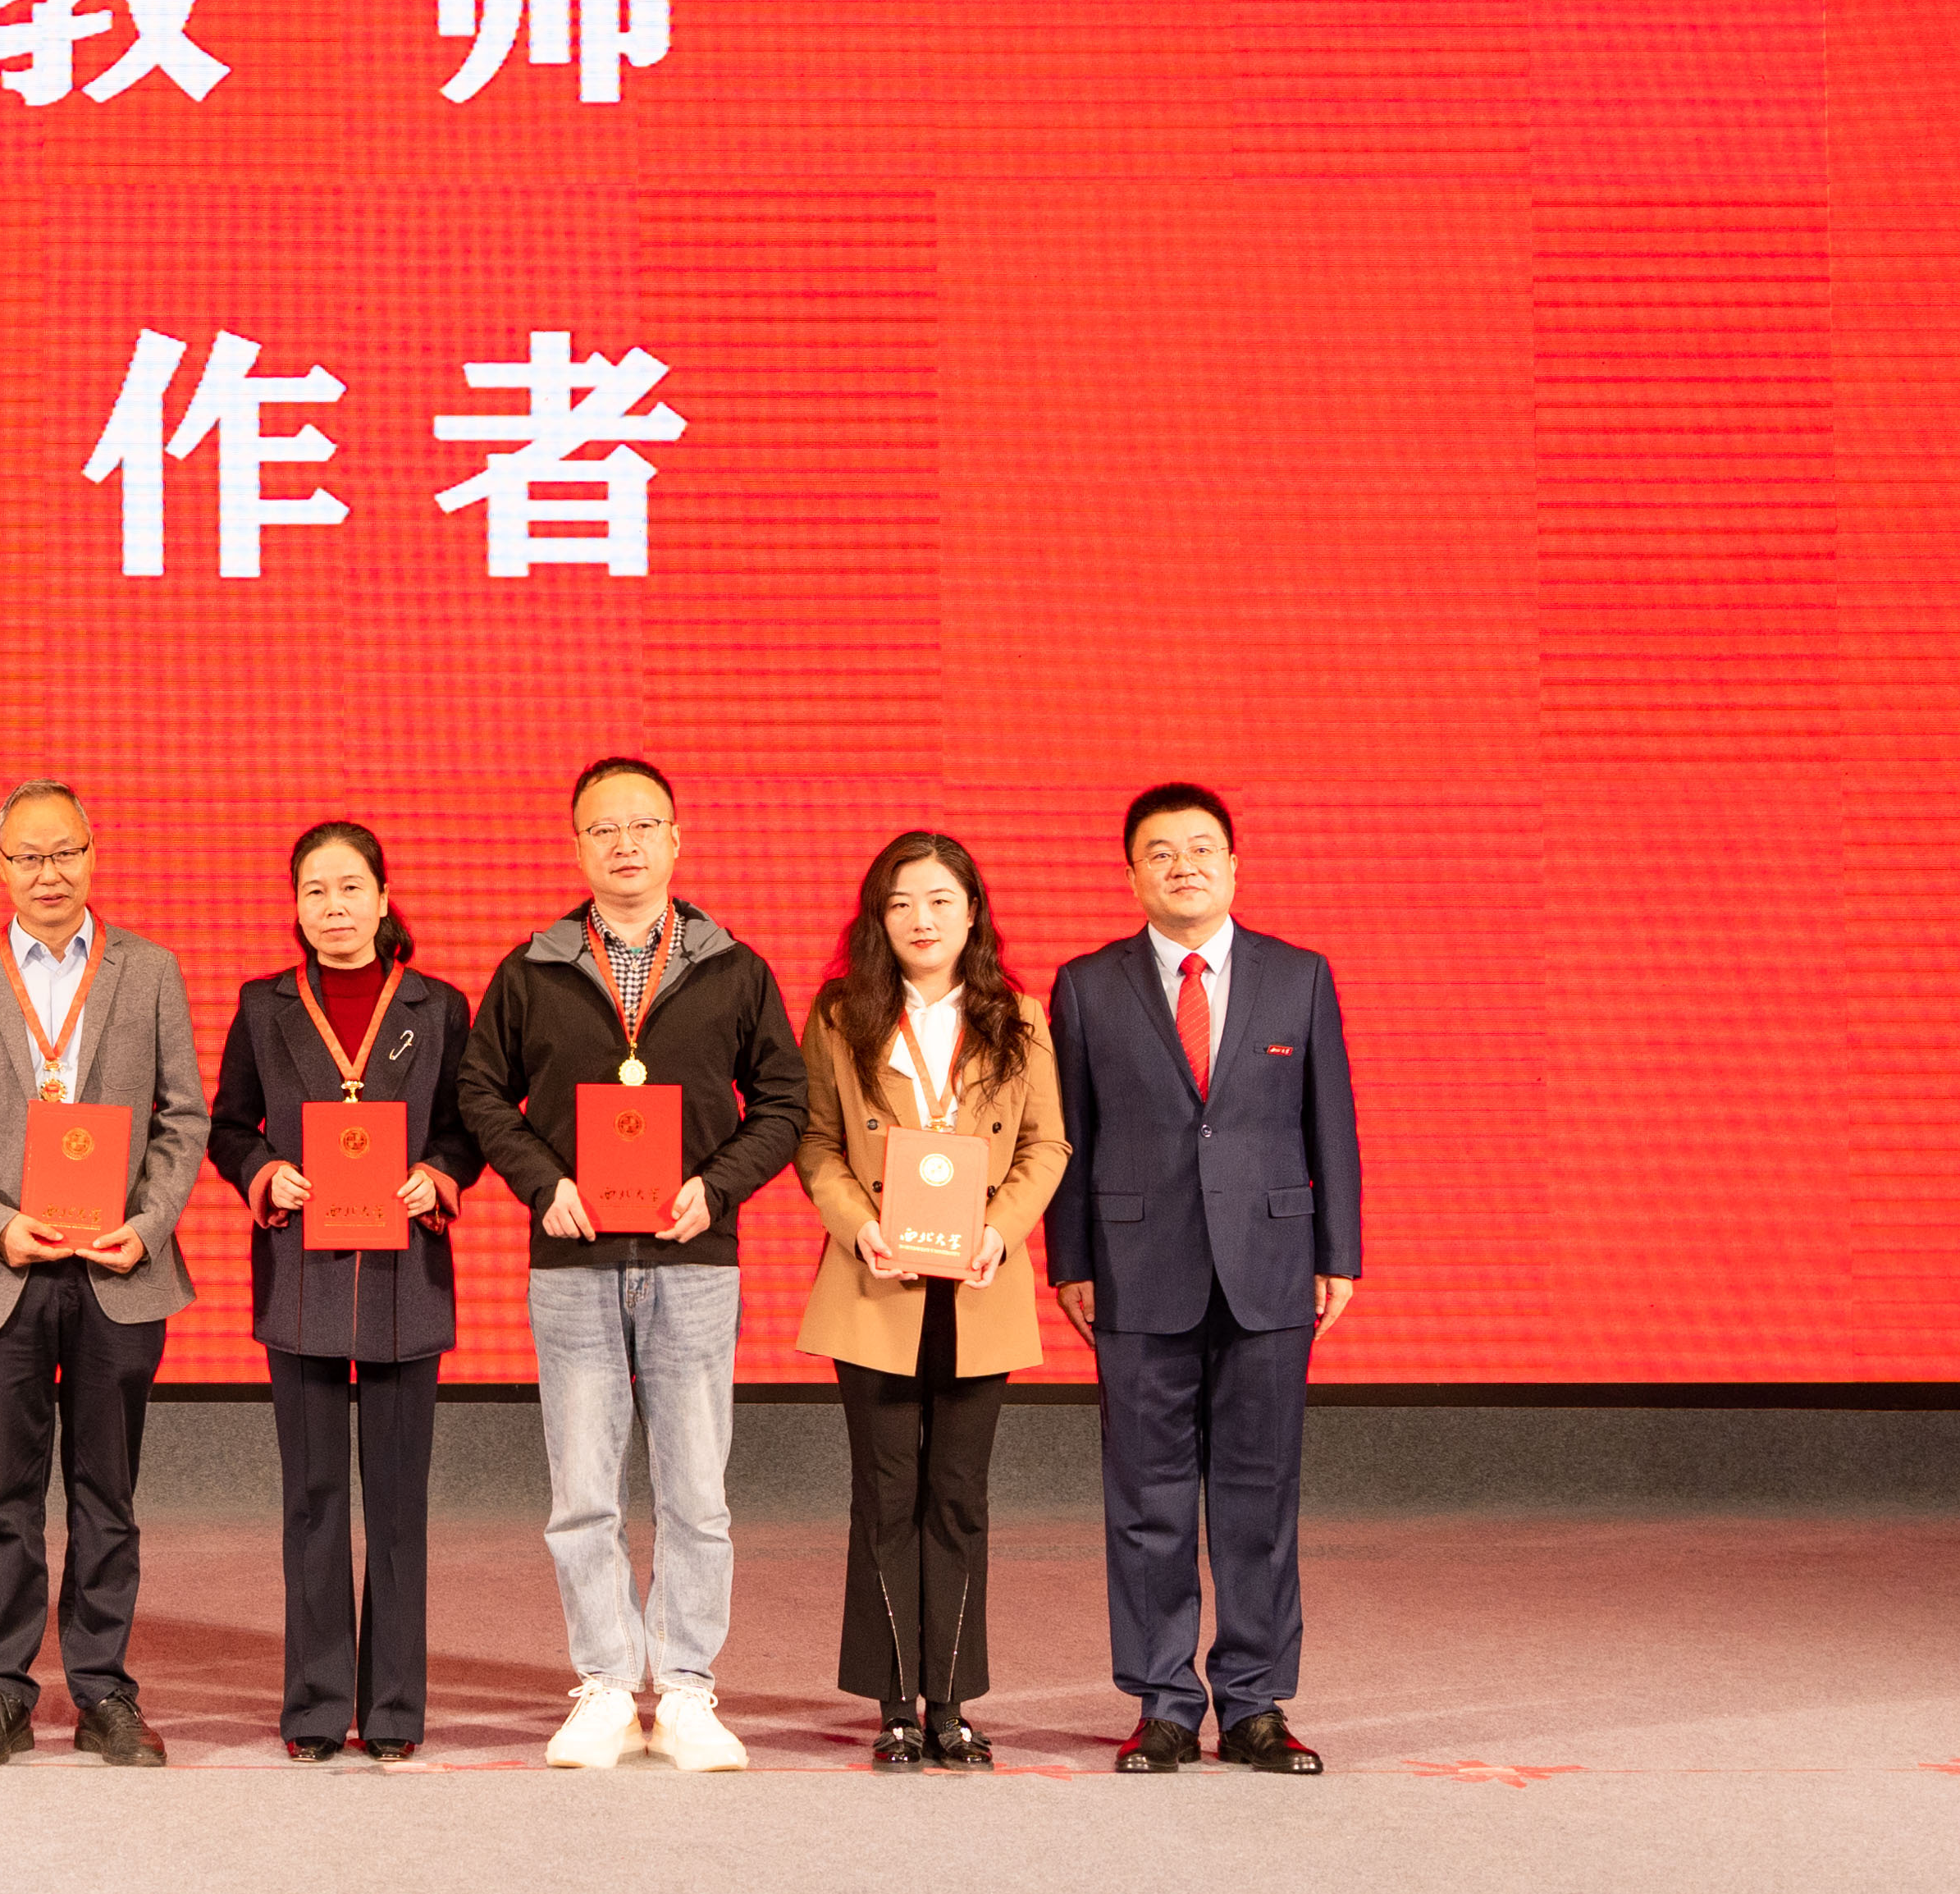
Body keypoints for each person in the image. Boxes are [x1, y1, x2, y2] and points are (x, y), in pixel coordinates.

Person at [455, 755, 810, 1775]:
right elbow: (480, 1093)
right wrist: (541, 1183)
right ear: (576, 847)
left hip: (693, 1255)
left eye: (642, 825)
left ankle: (687, 1686)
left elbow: (782, 1101)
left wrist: (719, 1186)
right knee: (582, 1489)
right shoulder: (532, 968)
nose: (624, 844)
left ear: (675, 839)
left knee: (697, 1489)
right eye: (602, 829)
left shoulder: (733, 968)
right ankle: (608, 1684)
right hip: (571, 1258)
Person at [1044, 781, 1362, 1777]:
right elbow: (1069, 1134)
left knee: (1260, 1497)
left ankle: (1256, 1704)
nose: (1182, 865)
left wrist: (1337, 1253)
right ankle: (1164, 1705)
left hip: (1271, 1267)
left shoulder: (1297, 975)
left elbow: (1329, 1121)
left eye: (1200, 848)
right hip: (1134, 1270)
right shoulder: (1086, 986)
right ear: (1130, 872)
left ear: (1233, 864)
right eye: (1159, 851)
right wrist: (1070, 1261)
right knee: (1147, 1496)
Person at [0, 777, 212, 1769]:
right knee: (4, 1498)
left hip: (117, 1267)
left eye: (65, 852)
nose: (49, 872)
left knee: (105, 1494)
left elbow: (183, 1118)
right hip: (5, 1270)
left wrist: (147, 1225)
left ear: (93, 853)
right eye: (28, 856)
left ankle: (103, 1690)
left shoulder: (149, 970)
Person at [206, 819, 482, 1765]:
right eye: (315, 890)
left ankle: (394, 1706)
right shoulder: (264, 1006)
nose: (334, 907)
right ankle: (318, 1705)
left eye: (350, 888)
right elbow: (228, 1125)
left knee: (398, 1504)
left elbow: (466, 1128)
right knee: (314, 1500)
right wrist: (263, 1171)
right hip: (302, 1278)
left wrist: (439, 1176)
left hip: (407, 1276)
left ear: (382, 898)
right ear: (296, 905)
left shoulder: (439, 1008)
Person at [792, 830, 1061, 1773]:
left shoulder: (1018, 1018)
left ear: (972, 913)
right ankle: (893, 1706)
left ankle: (949, 1703)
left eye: (941, 899)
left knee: (957, 1497)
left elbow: (1047, 1145)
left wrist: (1002, 1229)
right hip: (877, 1281)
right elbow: (816, 1141)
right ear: (879, 917)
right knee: (884, 1496)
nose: (922, 918)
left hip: (978, 1285)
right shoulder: (840, 1016)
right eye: (902, 901)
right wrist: (854, 1222)